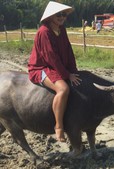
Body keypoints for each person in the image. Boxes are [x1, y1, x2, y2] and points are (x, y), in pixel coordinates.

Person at [28, 1, 81, 142]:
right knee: (63, 89)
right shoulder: (44, 32)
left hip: (55, 67)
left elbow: (69, 51)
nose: (62, 17)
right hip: (41, 68)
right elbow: (51, 57)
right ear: (50, 16)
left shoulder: (61, 30)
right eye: (59, 14)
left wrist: (73, 70)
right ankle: (59, 127)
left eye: (64, 14)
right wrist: (66, 75)